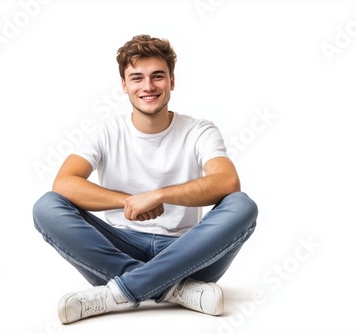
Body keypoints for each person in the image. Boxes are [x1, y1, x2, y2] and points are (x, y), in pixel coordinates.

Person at [33, 34, 258, 324]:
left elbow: (227, 182)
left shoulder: (199, 130)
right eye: (137, 78)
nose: (148, 86)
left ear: (172, 82)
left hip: (189, 251)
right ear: (124, 85)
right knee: (46, 206)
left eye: (157, 76)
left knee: (242, 205)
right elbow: (64, 183)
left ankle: (120, 290)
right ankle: (175, 290)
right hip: (115, 249)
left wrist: (160, 195)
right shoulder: (106, 131)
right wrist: (128, 200)